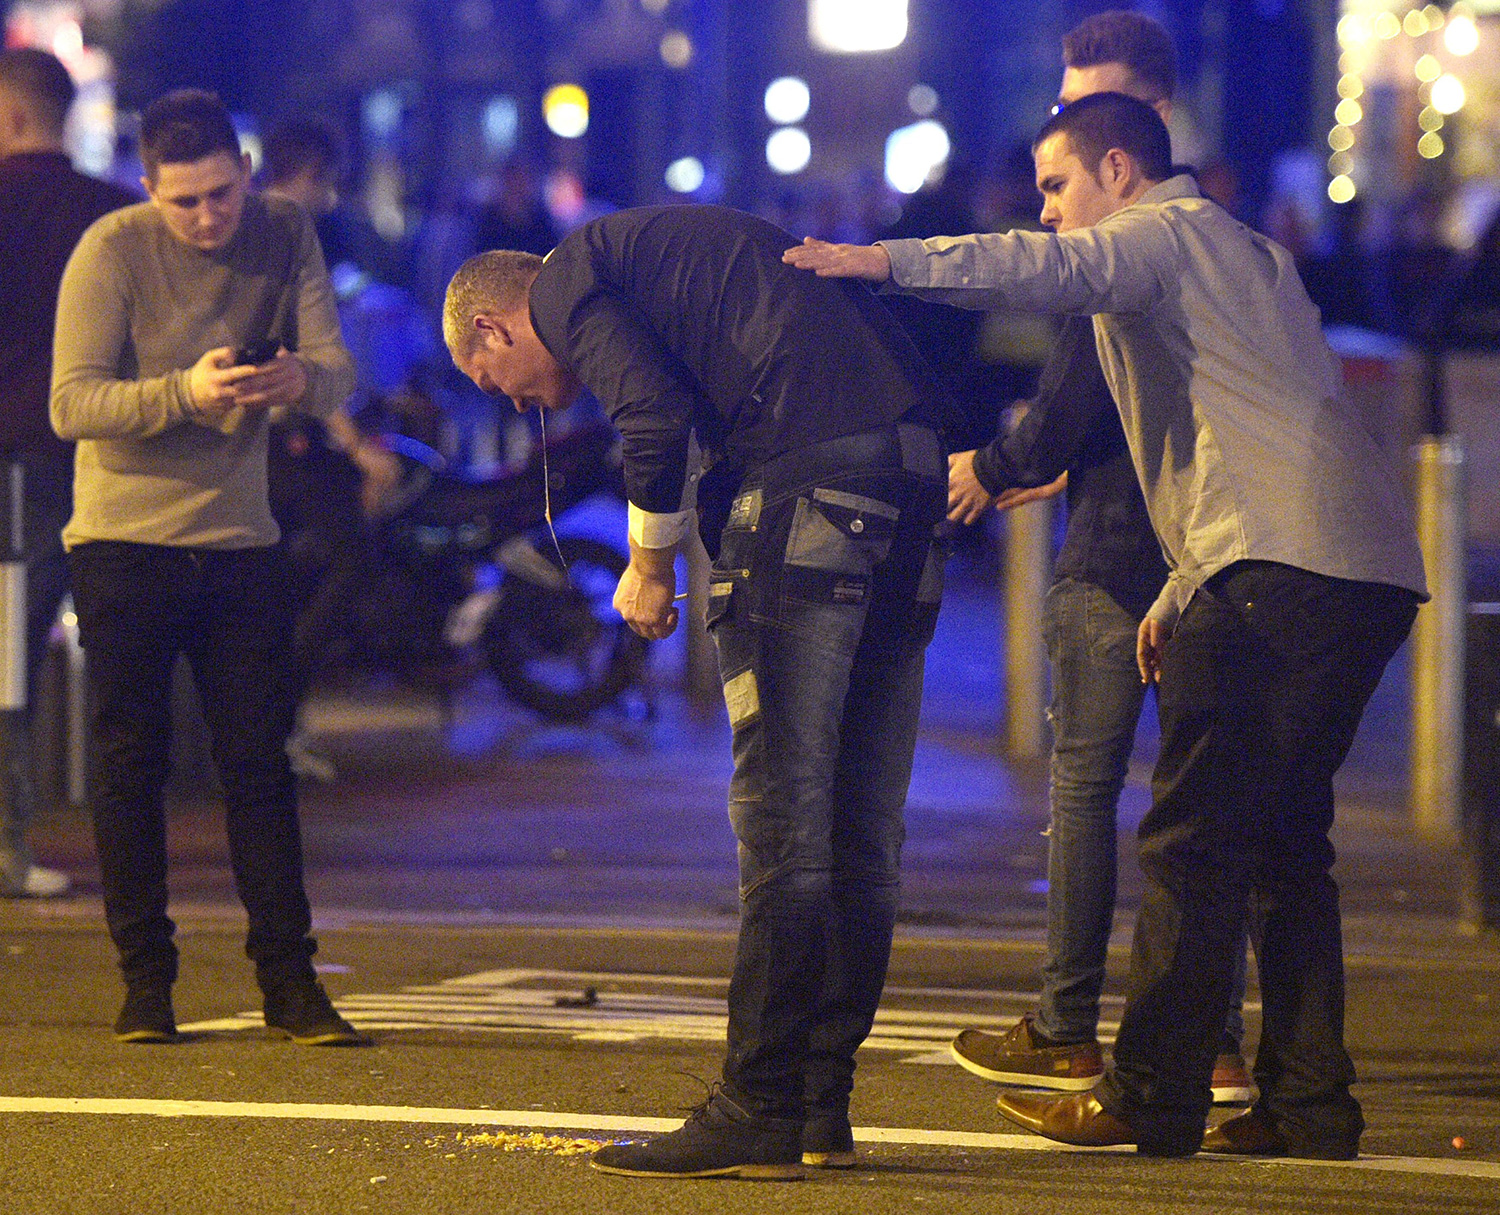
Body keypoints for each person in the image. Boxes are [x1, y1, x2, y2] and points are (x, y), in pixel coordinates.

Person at [786, 92, 1426, 1160]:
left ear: (1118, 170)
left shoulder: (1156, 238)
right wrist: (1180, 589)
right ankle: (1311, 1106)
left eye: (1055, 185)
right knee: (1282, 850)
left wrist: (880, 263)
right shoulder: (1249, 251)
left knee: (1189, 841)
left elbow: (1044, 275)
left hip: (1274, 571)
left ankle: (1150, 1094)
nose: (1045, 213)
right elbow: (1244, 437)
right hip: (1360, 575)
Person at [442, 204, 949, 1179]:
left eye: (487, 377)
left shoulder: (569, 277)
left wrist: (648, 564)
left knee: (785, 827)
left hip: (805, 490)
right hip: (907, 480)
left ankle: (758, 1102)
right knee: (861, 828)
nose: (514, 402)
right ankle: (818, 1102)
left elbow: (651, 417)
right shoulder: (670, 260)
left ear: (492, 327)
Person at [944, 9, 1251, 1107]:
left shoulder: (1123, 245)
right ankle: (1210, 1037)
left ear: (1139, 127)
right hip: (1213, 555)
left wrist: (997, 460)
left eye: (1083, 107)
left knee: (1088, 792)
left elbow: (1073, 397)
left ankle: (1069, 1023)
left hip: (1131, 549)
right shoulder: (1225, 236)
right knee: (1204, 807)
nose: (1065, 129)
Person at [50, 88, 364, 1047]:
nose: (206, 217)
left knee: (258, 763)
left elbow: (341, 371)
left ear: (247, 174)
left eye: (221, 194)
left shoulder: (285, 230)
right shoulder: (112, 248)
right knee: (128, 766)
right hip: (123, 543)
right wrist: (189, 391)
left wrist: (298, 382)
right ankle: (147, 982)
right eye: (182, 201)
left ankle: (291, 984)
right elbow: (72, 404)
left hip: (238, 540)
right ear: (149, 187)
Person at [0, 48, 137, 899]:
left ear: (11, 116)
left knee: (6, 648)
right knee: (37, 643)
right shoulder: (113, 217)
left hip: (11, 457)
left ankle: (9, 839)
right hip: (86, 458)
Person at [260, 117, 401, 780]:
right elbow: (299, 361)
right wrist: (355, 448)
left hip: (270, 439)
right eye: (331, 181)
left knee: (288, 580)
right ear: (313, 172)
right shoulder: (288, 235)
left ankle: (277, 720)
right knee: (350, 563)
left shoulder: (259, 228)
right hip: (283, 440)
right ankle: (277, 718)